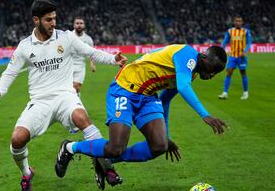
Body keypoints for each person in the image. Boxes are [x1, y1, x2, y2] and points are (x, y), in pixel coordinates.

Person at [0, 0, 126, 191]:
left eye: (54, 19)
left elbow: (90, 52)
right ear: (36, 20)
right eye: (48, 19)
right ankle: (27, 174)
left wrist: (113, 59)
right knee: (17, 139)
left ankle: (106, 166)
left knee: (82, 118)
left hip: (65, 96)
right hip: (40, 101)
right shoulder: (25, 46)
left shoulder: (65, 37)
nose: (54, 23)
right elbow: (10, 72)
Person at [55, 45, 229, 179]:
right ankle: (70, 147)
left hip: (147, 96)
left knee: (160, 145)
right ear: (204, 56)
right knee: (116, 147)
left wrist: (166, 135)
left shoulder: (191, 74)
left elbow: (165, 100)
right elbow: (183, 87)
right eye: (213, 68)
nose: (212, 74)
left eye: (217, 72)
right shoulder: (187, 54)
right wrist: (205, 115)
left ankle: (107, 161)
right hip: (125, 87)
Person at [218, 16, 252, 100]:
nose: (238, 22)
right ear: (234, 22)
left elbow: (249, 43)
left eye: (240, 21)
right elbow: (225, 41)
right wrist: (221, 49)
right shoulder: (230, 31)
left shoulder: (246, 31)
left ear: (242, 22)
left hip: (241, 56)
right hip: (232, 56)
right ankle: (225, 93)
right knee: (228, 73)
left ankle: (245, 92)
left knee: (243, 73)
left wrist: (245, 51)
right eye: (237, 21)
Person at [71, 16, 96, 96]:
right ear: (74, 25)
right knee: (68, 88)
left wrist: (92, 64)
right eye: (77, 23)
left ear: (84, 25)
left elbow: (92, 53)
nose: (79, 25)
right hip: (68, 65)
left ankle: (76, 102)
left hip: (80, 66)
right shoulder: (69, 36)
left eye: (81, 23)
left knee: (76, 87)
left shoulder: (88, 39)